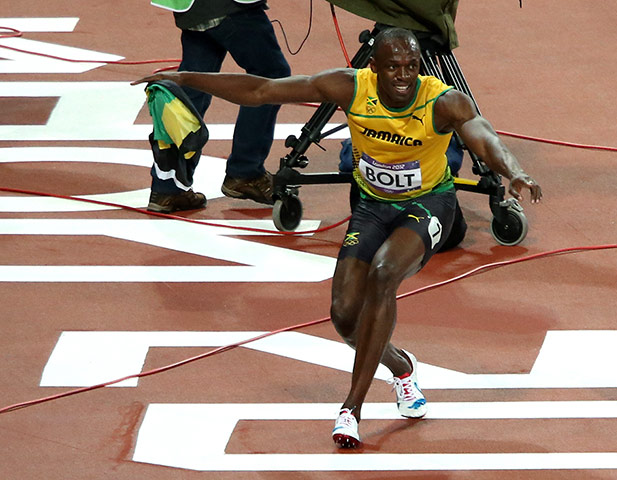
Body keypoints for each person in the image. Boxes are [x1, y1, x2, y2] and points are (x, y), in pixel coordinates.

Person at [132, 27, 542, 448]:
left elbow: (484, 134)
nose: (404, 76)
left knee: (384, 274)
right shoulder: (349, 87)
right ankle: (402, 367)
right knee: (345, 316)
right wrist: (184, 79)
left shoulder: (441, 101)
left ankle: (352, 409)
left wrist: (513, 171)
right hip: (371, 206)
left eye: (412, 67)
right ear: (375, 68)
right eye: (394, 68)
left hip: (429, 205)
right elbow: (261, 90)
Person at [146, 0, 291, 213]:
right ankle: (245, 171)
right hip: (229, 5)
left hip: (190, 8)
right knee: (271, 76)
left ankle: (168, 187)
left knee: (192, 86)